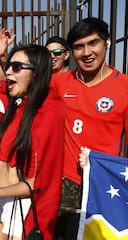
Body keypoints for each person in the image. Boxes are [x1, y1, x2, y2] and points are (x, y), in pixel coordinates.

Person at [0, 31, 65, 240]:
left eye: (16, 67)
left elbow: (35, 183)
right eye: (9, 65)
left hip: (19, 202)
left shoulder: (46, 114)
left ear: (37, 73)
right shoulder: (14, 104)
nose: (8, 71)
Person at [50, 17, 128, 239]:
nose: (86, 52)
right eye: (78, 47)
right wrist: (0, 58)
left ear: (108, 43)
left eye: (93, 43)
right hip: (65, 185)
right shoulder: (60, 82)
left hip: (105, 188)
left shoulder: (124, 88)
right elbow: (20, 88)